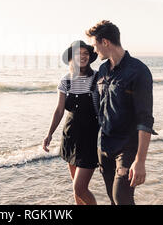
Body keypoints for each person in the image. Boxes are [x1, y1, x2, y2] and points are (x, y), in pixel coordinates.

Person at [85, 20, 157, 205]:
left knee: (122, 199)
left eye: (95, 45)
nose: (94, 51)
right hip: (104, 146)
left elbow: (145, 118)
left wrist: (140, 160)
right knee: (112, 199)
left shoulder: (138, 71)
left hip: (126, 148)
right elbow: (96, 107)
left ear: (105, 42)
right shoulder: (101, 70)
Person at [42, 40, 100, 205]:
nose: (82, 57)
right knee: (75, 185)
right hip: (70, 136)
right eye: (78, 54)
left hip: (90, 137)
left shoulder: (97, 77)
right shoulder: (65, 80)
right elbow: (59, 110)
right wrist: (49, 134)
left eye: (85, 53)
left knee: (79, 188)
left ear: (90, 56)